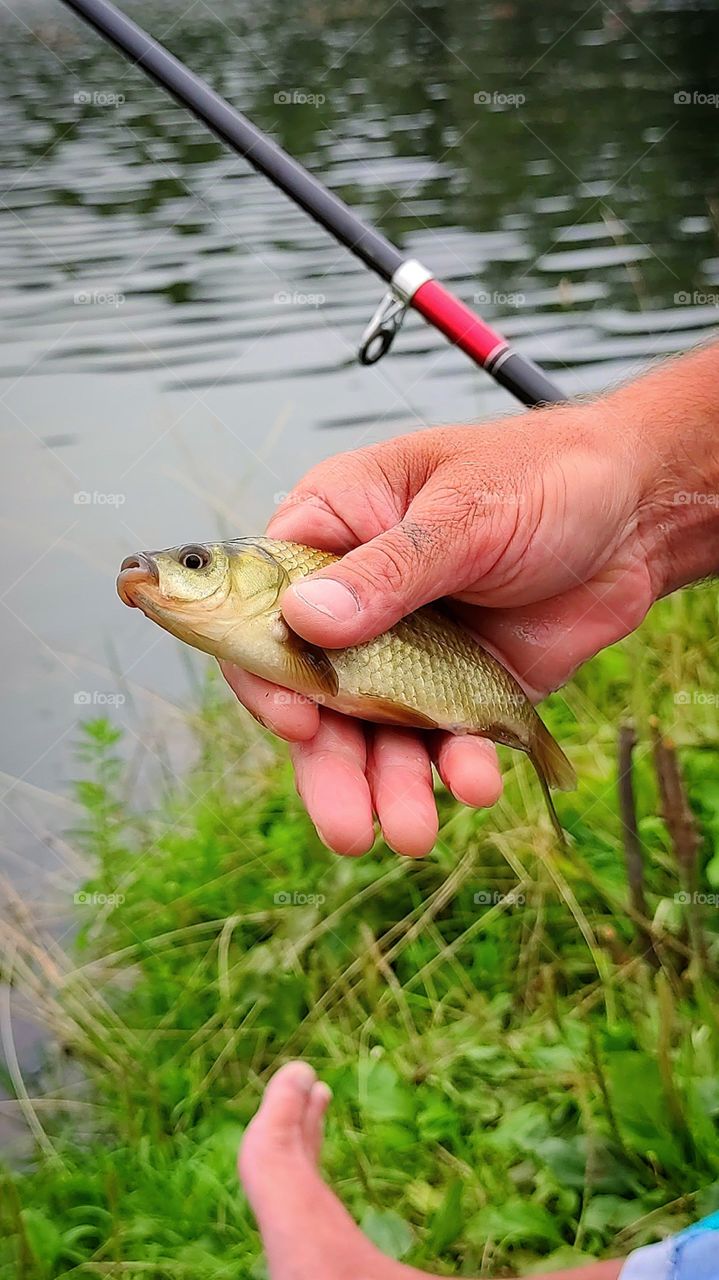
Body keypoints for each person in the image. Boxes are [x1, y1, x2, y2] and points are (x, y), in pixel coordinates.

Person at [225, 343, 719, 1279]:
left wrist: (638, 478)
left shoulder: (299, 586)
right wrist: (640, 476)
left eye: (199, 564)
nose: (175, 575)